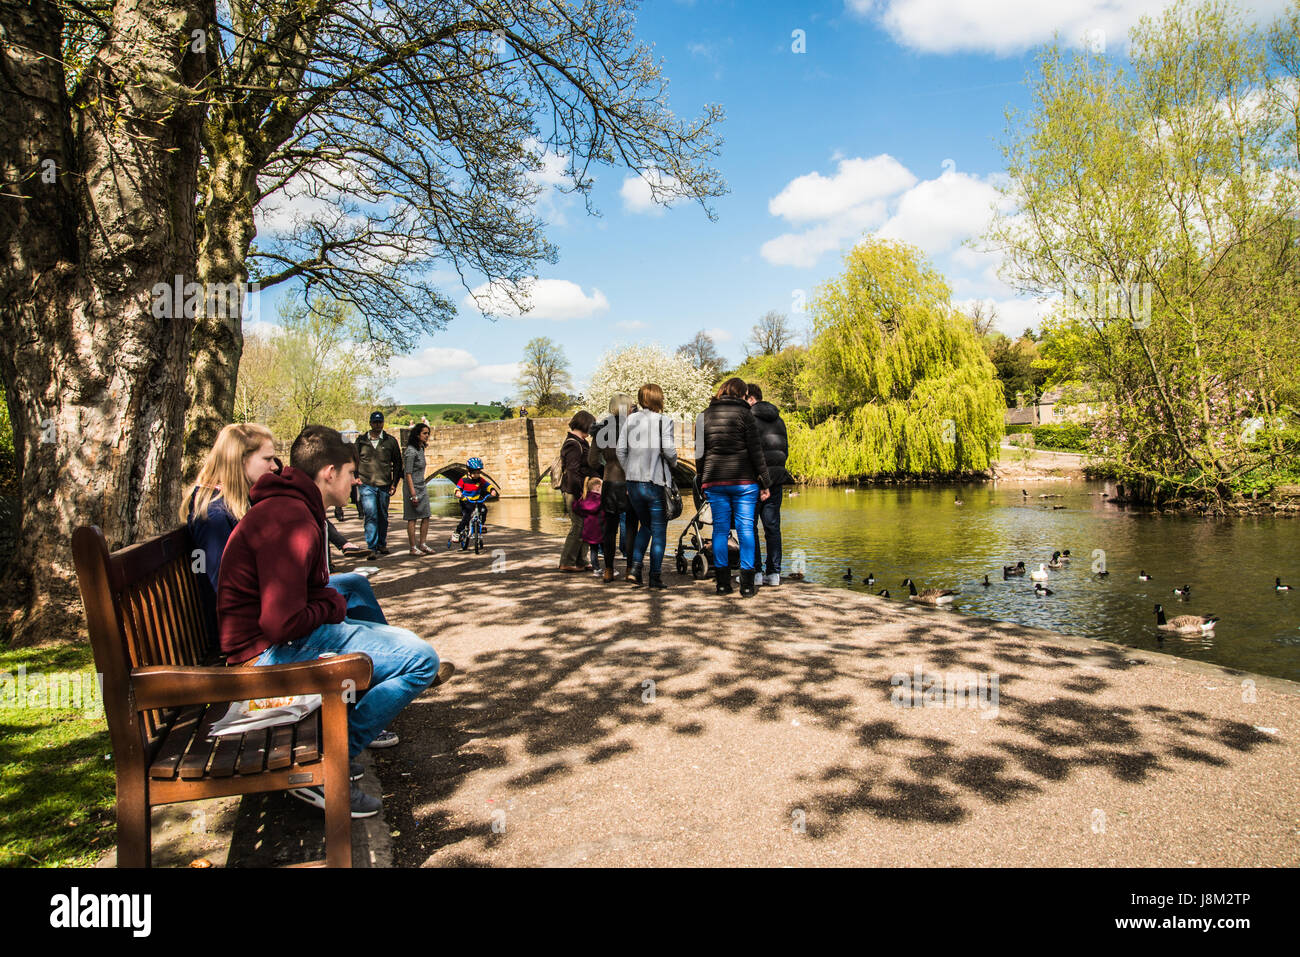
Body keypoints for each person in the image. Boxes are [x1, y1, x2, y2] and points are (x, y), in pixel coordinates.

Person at [217, 425, 453, 818]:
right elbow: (281, 623)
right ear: (329, 473)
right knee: (421, 660)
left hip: (269, 643)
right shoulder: (291, 519)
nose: (357, 480)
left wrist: (327, 600)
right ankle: (326, 762)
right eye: (351, 473)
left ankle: (351, 724)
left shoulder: (293, 508)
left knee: (393, 634)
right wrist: (330, 606)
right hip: (261, 659)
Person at [183, 423, 389, 628]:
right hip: (250, 624)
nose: (275, 465)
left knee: (354, 584)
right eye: (267, 459)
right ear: (240, 460)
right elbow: (220, 589)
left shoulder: (238, 503)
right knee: (343, 592)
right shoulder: (214, 516)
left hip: (269, 603)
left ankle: (380, 644)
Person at [696, 377, 771, 598]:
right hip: (744, 482)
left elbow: (699, 453)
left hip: (715, 480)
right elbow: (756, 452)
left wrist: (702, 478)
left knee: (720, 530)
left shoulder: (704, 416)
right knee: (746, 529)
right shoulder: (746, 415)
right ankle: (747, 584)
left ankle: (722, 584)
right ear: (741, 394)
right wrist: (765, 482)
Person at [617, 383, 676, 589]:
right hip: (655, 482)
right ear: (658, 398)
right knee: (658, 531)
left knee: (647, 526)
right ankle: (655, 576)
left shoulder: (630, 420)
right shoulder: (664, 421)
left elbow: (620, 451)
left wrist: (630, 471)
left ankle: (634, 569)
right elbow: (669, 452)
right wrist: (674, 463)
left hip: (633, 484)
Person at [587, 393, 640, 583]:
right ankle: (629, 570)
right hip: (632, 481)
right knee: (632, 527)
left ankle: (608, 570)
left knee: (610, 528)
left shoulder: (602, 430)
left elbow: (592, 461)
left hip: (610, 482)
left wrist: (606, 465)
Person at [746, 383, 792, 586]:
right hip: (776, 478)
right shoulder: (779, 420)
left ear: (751, 399)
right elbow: (785, 450)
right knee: (773, 527)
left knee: (750, 526)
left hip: (755, 479)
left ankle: (756, 572)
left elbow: (750, 452)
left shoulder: (750, 419)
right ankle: (774, 574)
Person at [354, 411, 401, 555]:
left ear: (383, 423)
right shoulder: (361, 441)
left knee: (383, 515)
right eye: (375, 422)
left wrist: (394, 483)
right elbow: (354, 461)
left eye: (380, 422)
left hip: (384, 483)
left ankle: (382, 543)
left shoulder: (390, 441)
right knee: (371, 514)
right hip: (366, 483)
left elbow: (398, 463)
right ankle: (371, 547)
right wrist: (355, 477)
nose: (377, 425)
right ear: (370, 423)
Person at [557, 411, 598, 571]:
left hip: (580, 490)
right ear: (585, 424)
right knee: (578, 525)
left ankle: (581, 560)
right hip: (574, 491)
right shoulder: (572, 444)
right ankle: (567, 561)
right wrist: (581, 492)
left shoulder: (580, 442)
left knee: (586, 524)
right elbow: (573, 471)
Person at [448, 457, 499, 549]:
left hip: (477, 500)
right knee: (466, 517)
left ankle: (482, 524)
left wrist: (492, 490)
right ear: (469, 472)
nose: (477, 475)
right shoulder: (463, 480)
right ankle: (457, 532)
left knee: (483, 510)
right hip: (466, 501)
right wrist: (458, 493)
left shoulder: (480, 480)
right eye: (475, 473)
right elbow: (458, 488)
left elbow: (487, 485)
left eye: (478, 472)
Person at [403, 423, 433, 556]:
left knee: (426, 515)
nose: (427, 436)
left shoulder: (421, 449)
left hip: (422, 485)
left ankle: (423, 544)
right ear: (417, 435)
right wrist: (413, 492)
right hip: (412, 487)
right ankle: (413, 547)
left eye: (428, 433)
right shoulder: (410, 451)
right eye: (424, 433)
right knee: (412, 518)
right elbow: (407, 473)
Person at [572, 476, 606, 576]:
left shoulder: (585, 498)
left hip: (589, 529)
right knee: (606, 549)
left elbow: (576, 507)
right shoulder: (600, 499)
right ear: (597, 487)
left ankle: (596, 569)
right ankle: (609, 568)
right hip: (600, 528)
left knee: (593, 550)